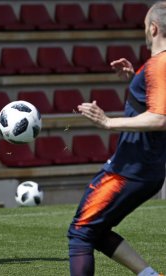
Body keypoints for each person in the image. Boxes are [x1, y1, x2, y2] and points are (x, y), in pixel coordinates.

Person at [67, 2, 166, 275]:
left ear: (154, 28)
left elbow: (160, 119)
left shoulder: (160, 64)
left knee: (80, 233)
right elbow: (154, 105)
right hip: (144, 167)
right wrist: (134, 80)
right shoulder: (156, 67)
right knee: (94, 230)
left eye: (146, 25)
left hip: (130, 169)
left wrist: (107, 122)